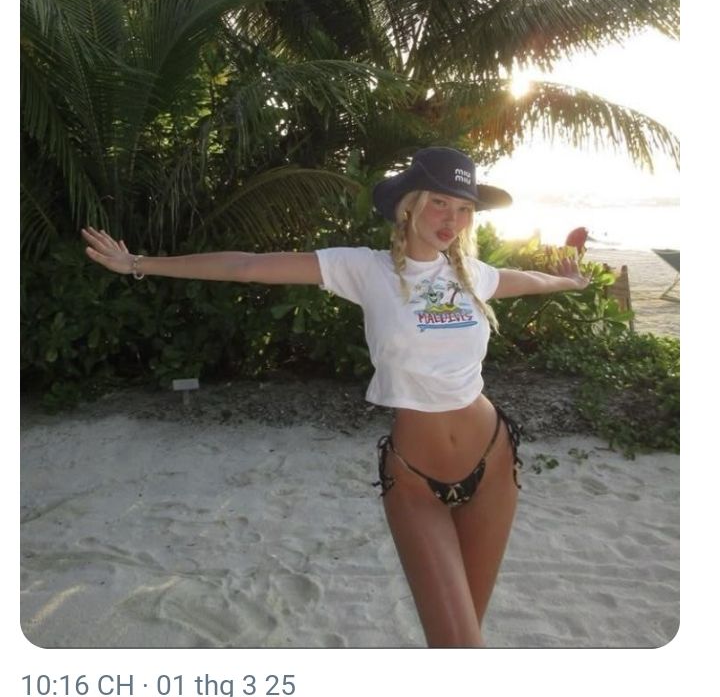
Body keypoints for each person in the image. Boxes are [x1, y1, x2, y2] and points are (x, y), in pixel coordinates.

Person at [82, 147, 589, 648]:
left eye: (463, 208)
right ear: (408, 206)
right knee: (458, 644)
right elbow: (247, 266)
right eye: (439, 202)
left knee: (461, 642)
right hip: (416, 480)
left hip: (493, 462)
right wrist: (138, 263)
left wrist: (567, 281)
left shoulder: (471, 274)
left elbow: (528, 281)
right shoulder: (365, 270)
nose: (451, 219)